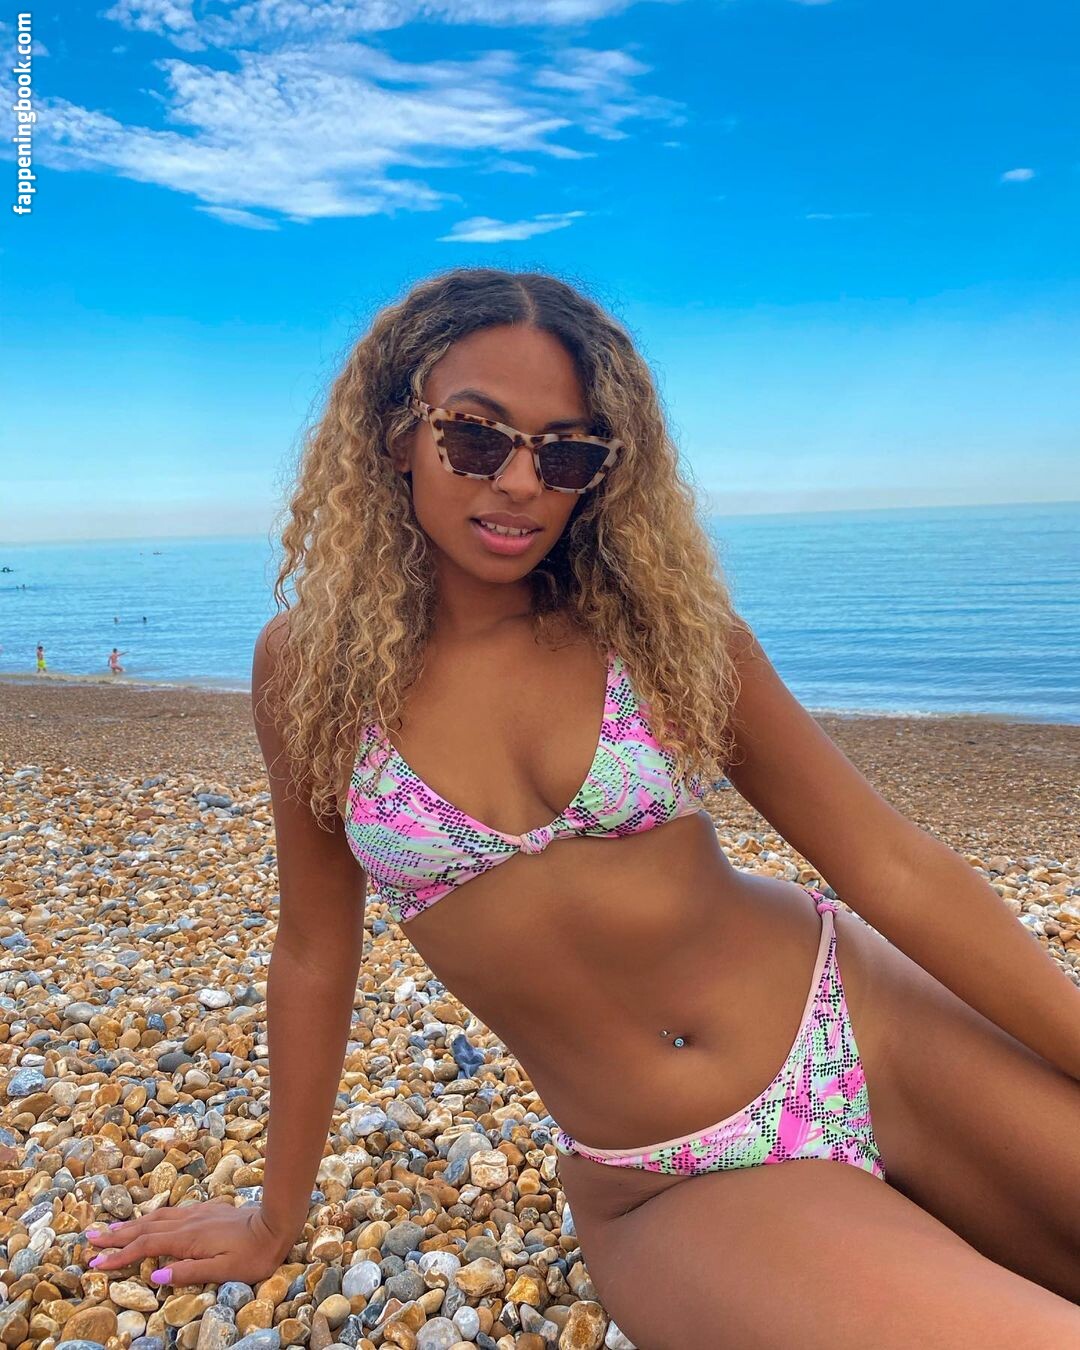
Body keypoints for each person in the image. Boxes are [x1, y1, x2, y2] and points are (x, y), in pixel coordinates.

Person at [86, 269, 1080, 1343]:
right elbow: (314, 951)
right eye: (477, 437)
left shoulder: (660, 631)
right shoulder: (312, 671)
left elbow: (889, 864)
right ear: (397, 433)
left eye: (566, 453)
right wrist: (274, 1216)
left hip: (872, 1024)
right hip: (669, 1176)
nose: (521, 481)